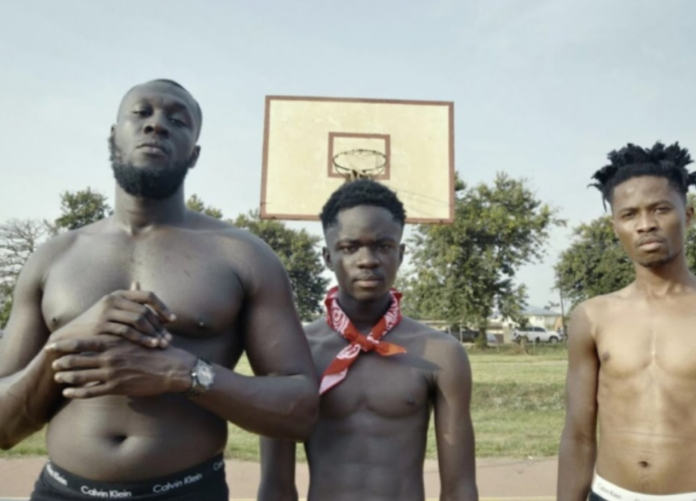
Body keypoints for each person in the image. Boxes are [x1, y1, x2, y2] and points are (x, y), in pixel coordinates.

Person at [0, 79, 319, 500]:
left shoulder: (243, 256)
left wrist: (183, 374)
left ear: (195, 153)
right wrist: (61, 345)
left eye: (177, 119)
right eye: (141, 113)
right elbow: (4, 428)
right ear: (114, 136)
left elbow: (299, 410)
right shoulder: (54, 257)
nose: (157, 125)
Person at [258, 179, 478, 501]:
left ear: (401, 254)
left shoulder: (441, 354)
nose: (367, 260)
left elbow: (459, 488)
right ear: (327, 257)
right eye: (349, 247)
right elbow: (276, 485)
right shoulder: (294, 351)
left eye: (383, 246)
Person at [557, 141, 696, 500]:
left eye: (660, 209)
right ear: (614, 224)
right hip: (609, 493)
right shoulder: (592, 316)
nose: (646, 224)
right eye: (629, 214)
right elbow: (578, 433)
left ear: (689, 215)